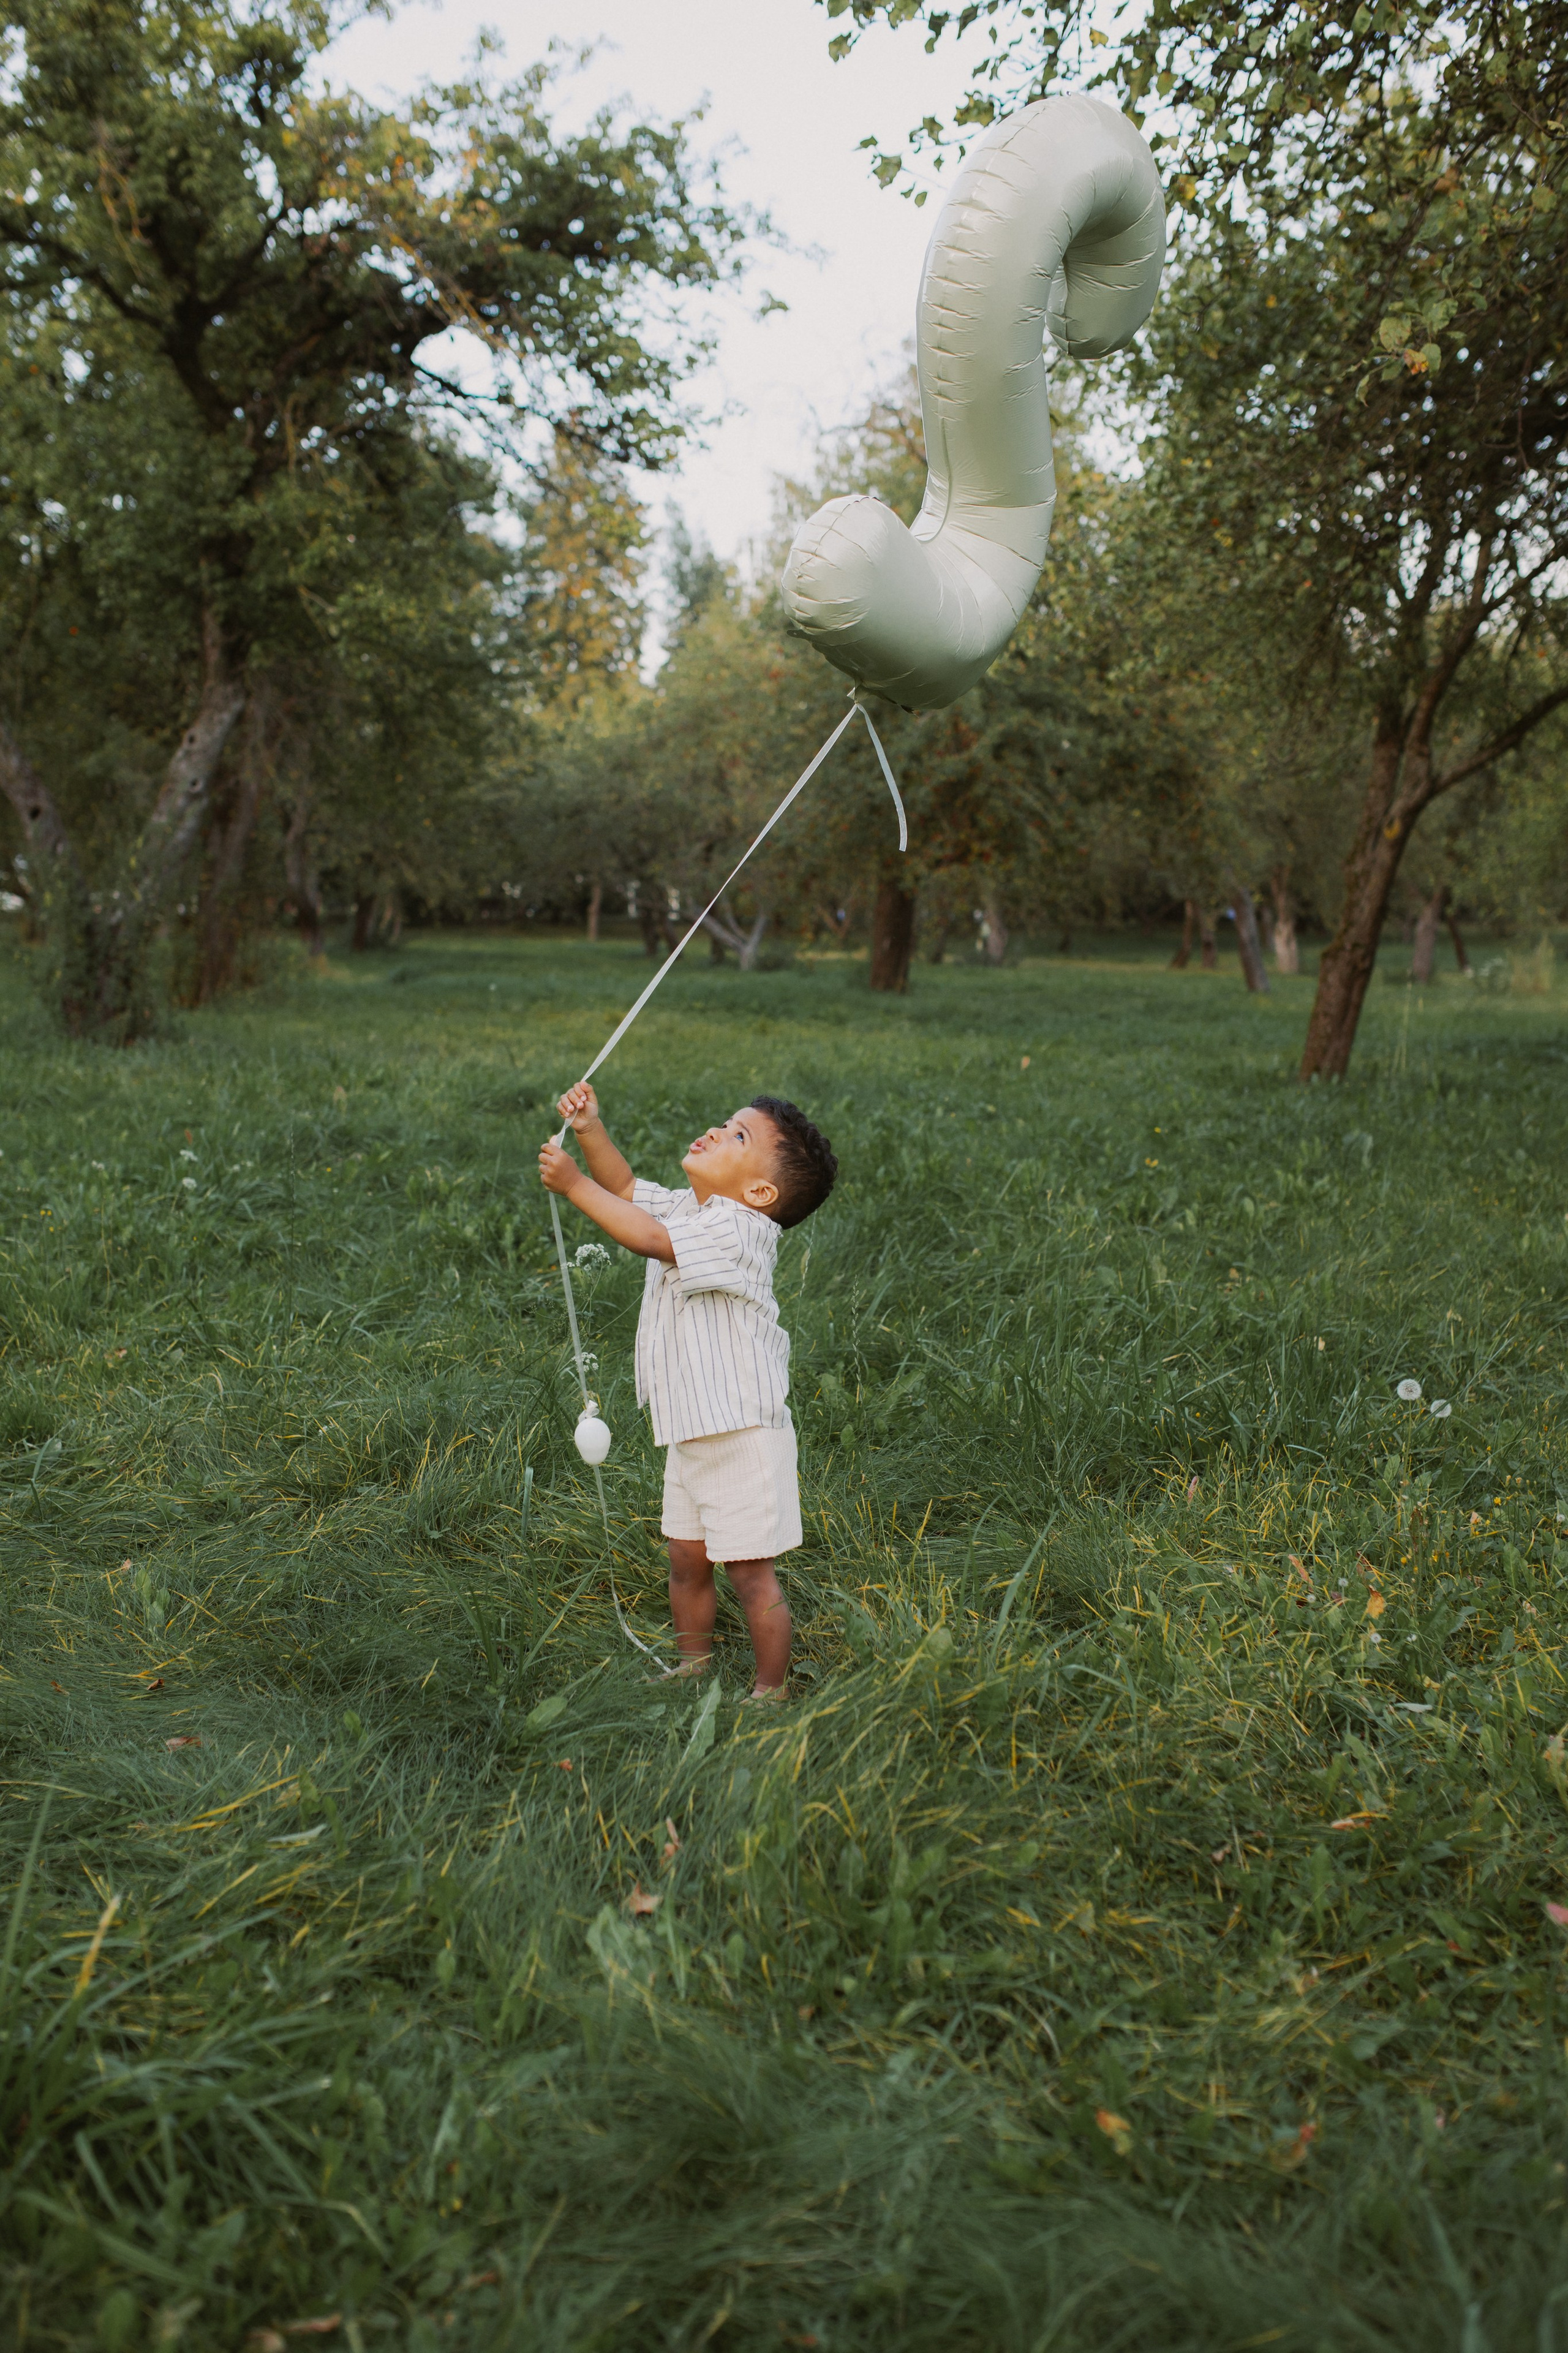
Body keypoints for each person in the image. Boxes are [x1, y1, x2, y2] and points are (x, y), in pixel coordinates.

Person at [539, 1084, 837, 1698]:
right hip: (692, 1431)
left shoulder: (742, 1231)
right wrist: (591, 1129)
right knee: (685, 1560)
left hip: (741, 1437)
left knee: (751, 1574)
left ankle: (770, 1688)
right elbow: (626, 1192)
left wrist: (573, 1185)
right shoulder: (695, 1208)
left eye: (738, 1137)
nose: (715, 1131)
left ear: (759, 1193)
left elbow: (645, 1237)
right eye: (726, 1122)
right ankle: (692, 1663)